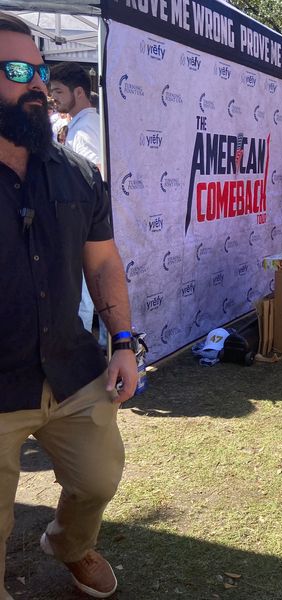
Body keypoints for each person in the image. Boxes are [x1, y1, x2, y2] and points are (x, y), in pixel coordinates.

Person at [0, 12, 138, 599]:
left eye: (39, 69)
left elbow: (103, 264)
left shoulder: (78, 174)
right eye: (17, 69)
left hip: (70, 367)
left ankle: (68, 543)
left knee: (99, 477)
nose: (37, 83)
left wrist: (125, 344)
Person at [49, 62, 103, 339]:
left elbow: (95, 177)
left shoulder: (84, 130)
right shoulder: (84, 124)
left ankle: (81, 354)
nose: (53, 97)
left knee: (83, 293)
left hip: (83, 223)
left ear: (79, 92)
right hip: (84, 223)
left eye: (58, 90)